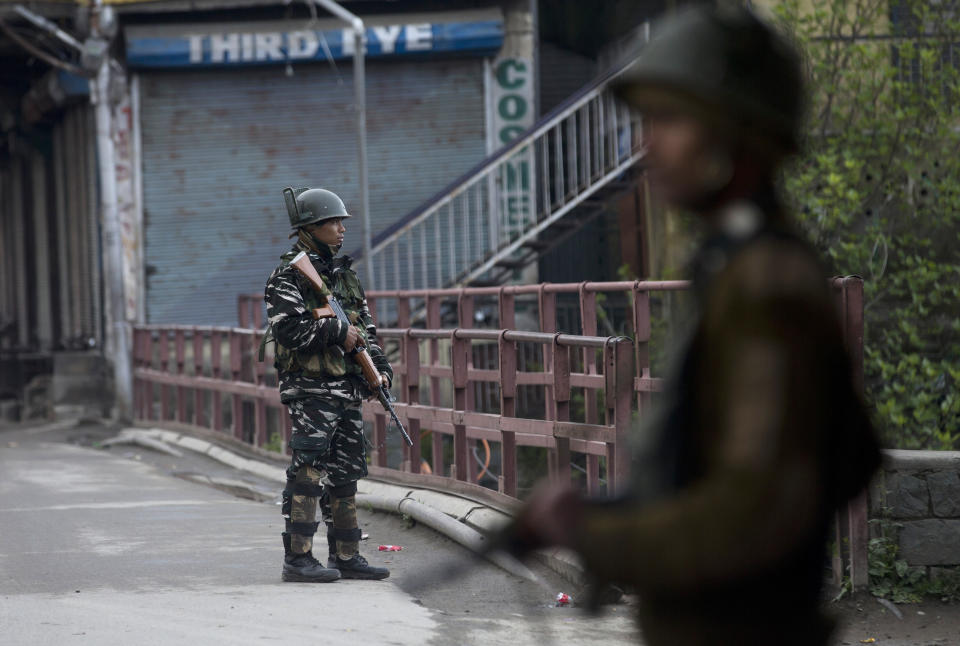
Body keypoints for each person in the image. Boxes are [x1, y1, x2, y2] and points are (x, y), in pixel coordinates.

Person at [513, 6, 880, 644]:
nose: (647, 145)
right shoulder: (734, 266)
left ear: (737, 134)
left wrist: (588, 532)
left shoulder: (767, 286)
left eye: (672, 119)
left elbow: (751, 512)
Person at [264, 187, 393, 582]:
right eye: (333, 223)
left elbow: (365, 329)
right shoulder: (288, 275)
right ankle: (298, 559)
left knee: (346, 471)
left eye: (341, 222)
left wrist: (380, 370)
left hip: (346, 390)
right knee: (308, 471)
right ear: (310, 228)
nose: (341, 229)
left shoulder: (343, 274)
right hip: (311, 389)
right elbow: (286, 330)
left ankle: (347, 555)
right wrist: (337, 332)